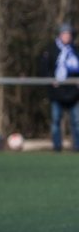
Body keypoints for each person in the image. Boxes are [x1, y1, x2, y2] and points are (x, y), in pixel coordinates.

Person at [38, 21, 79, 151]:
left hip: (74, 93)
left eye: (69, 34)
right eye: (65, 34)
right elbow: (44, 69)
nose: (67, 37)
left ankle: (77, 147)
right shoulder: (50, 50)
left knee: (77, 122)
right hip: (56, 93)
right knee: (56, 121)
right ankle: (57, 148)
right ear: (60, 35)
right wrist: (51, 80)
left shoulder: (75, 51)